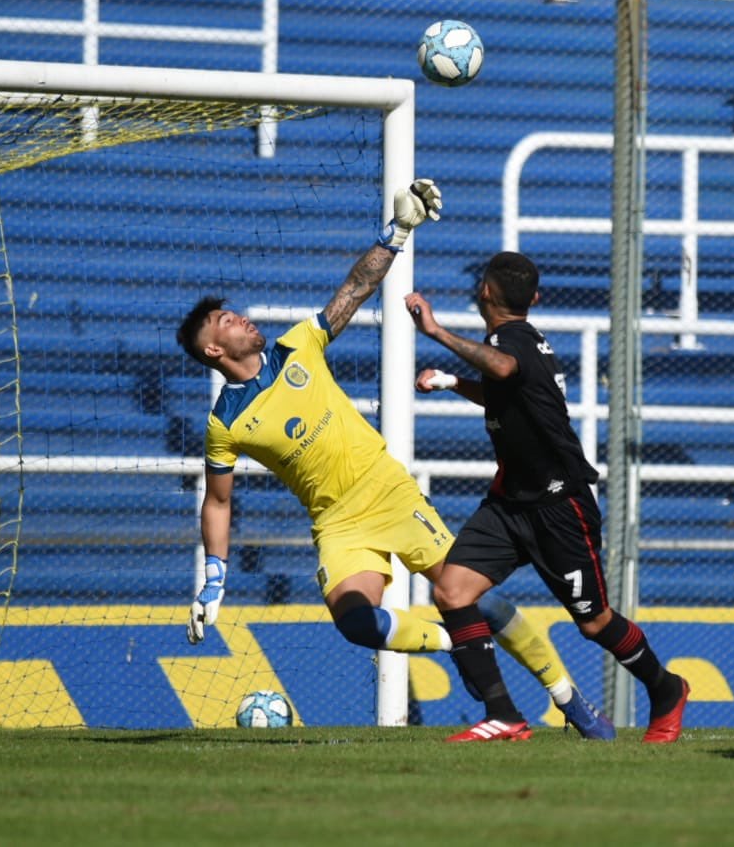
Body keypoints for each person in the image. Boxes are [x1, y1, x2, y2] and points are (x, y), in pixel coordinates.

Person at [174, 180, 614, 739]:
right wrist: (214, 578)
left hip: (390, 493)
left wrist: (398, 231)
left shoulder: (295, 347)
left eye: (234, 313)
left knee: (480, 595)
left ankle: (570, 700)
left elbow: (354, 289)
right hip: (337, 521)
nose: (239, 319)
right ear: (214, 350)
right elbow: (218, 501)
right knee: (355, 621)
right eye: (226, 323)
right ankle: (460, 642)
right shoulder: (226, 423)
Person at [405, 251, 689, 743]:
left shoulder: (510, 341)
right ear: (534, 298)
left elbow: (503, 366)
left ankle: (666, 690)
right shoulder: (520, 342)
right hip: (510, 502)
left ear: (486, 293)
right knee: (452, 591)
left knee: (595, 623)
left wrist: (436, 332)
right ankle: (504, 713)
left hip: (559, 507)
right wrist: (453, 383)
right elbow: (505, 383)